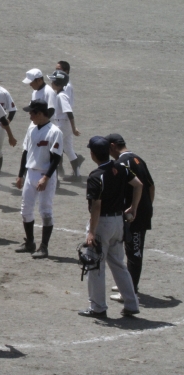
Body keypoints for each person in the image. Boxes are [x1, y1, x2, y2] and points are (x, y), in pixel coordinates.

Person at [79, 136, 142, 318]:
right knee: (119, 265)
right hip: (118, 223)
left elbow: (96, 205)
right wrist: (134, 207)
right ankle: (131, 303)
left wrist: (92, 232)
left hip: (102, 224)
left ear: (92, 154)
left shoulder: (96, 176)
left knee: (95, 266)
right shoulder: (121, 167)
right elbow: (138, 185)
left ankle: (98, 307)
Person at [106, 133, 155, 302]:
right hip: (140, 212)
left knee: (134, 251)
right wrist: (147, 207)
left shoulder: (121, 163)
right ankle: (126, 283)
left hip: (133, 215)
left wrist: (136, 208)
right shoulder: (138, 159)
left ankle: (130, 290)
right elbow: (151, 186)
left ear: (113, 146)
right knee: (130, 249)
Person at [14, 99, 63, 259]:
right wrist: (20, 175)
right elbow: (25, 153)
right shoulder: (32, 130)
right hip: (31, 173)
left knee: (45, 210)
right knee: (25, 210)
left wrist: (46, 178)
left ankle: (44, 247)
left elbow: (56, 158)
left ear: (40, 113)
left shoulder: (54, 132)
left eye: (32, 113)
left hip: (45, 174)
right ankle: (30, 242)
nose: (30, 117)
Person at [48, 70, 84, 179]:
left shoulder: (61, 96)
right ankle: (77, 174)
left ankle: (54, 176)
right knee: (68, 149)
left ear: (58, 84)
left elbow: (69, 112)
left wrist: (74, 128)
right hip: (65, 124)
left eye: (53, 81)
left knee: (52, 147)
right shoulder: (60, 94)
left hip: (62, 125)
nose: (51, 83)